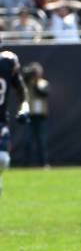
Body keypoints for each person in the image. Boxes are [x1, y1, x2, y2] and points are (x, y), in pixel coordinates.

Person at [0, 48, 30, 196]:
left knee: (2, 158)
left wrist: (24, 107)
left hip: (0, 119)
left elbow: (21, 90)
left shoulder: (7, 61)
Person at [23, 62, 49, 167]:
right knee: (27, 140)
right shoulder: (27, 83)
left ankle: (43, 163)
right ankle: (26, 164)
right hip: (29, 114)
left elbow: (42, 92)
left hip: (40, 116)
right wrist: (29, 77)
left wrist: (35, 81)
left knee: (41, 140)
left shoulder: (43, 83)